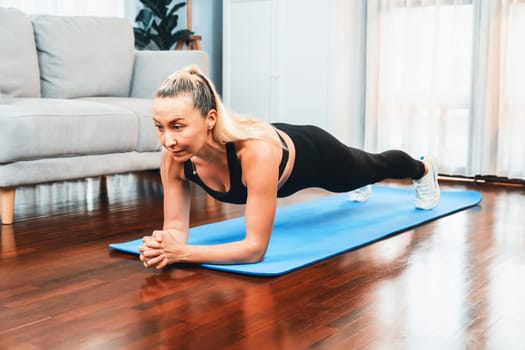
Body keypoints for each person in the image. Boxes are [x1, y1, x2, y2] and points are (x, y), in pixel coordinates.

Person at [139, 65, 440, 269]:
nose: (168, 140)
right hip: (275, 142)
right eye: (160, 127)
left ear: (211, 119)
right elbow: (176, 228)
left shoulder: (253, 153)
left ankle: (423, 169)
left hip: (314, 153)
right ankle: (359, 181)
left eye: (177, 126)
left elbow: (254, 249)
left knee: (372, 166)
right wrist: (163, 246)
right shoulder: (176, 159)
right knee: (360, 174)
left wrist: (184, 253)